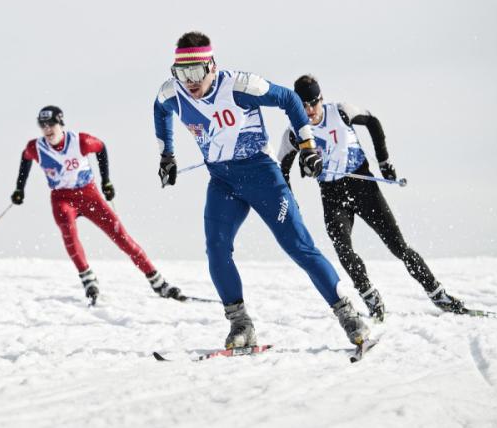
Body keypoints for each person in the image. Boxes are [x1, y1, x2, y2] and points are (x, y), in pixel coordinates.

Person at [153, 31, 369, 349]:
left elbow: (290, 100)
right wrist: (167, 154)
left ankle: (349, 316)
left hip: (262, 177)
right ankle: (241, 325)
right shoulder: (173, 93)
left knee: (298, 247)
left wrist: (308, 145)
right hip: (222, 182)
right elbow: (159, 109)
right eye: (182, 73)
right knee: (216, 249)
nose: (190, 81)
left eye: (196, 71)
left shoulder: (239, 86)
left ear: (211, 66)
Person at [277, 75, 465, 319]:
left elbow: (373, 122)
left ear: (321, 98)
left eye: (313, 102)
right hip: (332, 195)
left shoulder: (341, 111)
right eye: (303, 105)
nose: (309, 110)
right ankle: (370, 296)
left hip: (362, 185)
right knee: (342, 247)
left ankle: (438, 294)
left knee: (398, 246)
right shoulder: (294, 132)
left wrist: (384, 161)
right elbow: (281, 169)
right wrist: (291, 200)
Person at [11, 105, 183, 304]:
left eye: (51, 124)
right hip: (62, 198)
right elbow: (25, 158)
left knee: (121, 237)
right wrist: (19, 188)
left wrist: (106, 181)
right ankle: (87, 278)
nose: (47, 130)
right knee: (68, 230)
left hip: (88, 195)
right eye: (43, 126)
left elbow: (100, 148)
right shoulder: (36, 147)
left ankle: (157, 281)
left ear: (61, 123)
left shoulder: (80, 141)